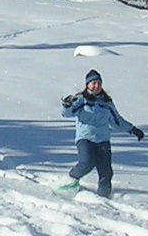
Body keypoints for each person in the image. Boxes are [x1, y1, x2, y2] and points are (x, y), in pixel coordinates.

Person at [59, 69, 143, 199]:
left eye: (98, 83)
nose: (96, 86)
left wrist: (132, 129)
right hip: (85, 138)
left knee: (106, 172)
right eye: (93, 83)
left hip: (103, 140)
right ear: (87, 85)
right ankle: (69, 181)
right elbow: (66, 113)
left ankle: (104, 198)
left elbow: (117, 121)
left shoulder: (106, 103)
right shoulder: (81, 99)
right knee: (87, 163)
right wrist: (66, 105)